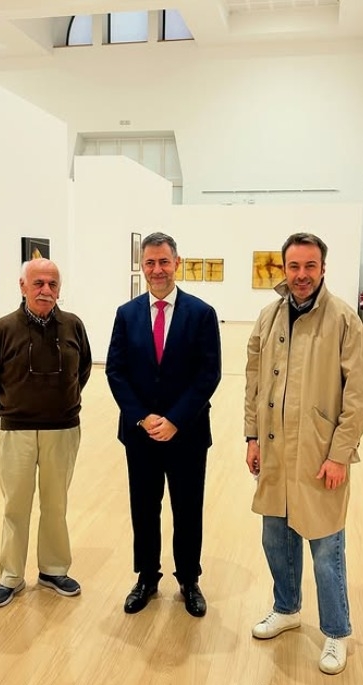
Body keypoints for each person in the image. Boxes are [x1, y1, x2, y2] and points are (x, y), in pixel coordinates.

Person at [244, 232, 363, 674]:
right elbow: (253, 381)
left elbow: (359, 396)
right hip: (275, 451)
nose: (301, 275)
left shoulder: (343, 320)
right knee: (275, 539)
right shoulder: (268, 317)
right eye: (294, 266)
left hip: (320, 457)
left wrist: (340, 454)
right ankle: (287, 608)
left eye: (310, 266)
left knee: (325, 548)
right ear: (284, 268)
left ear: (323, 268)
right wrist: (251, 436)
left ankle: (336, 631)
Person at [106, 232, 222, 617]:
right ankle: (146, 577)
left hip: (187, 434)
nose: (157, 269)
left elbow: (208, 374)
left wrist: (175, 419)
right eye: (150, 263)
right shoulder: (126, 314)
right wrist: (141, 417)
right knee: (144, 508)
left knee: (187, 510)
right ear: (143, 266)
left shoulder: (201, 314)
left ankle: (189, 579)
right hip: (140, 435)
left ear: (177, 263)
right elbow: (116, 371)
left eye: (164, 262)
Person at [0, 258, 92, 608]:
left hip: (63, 429)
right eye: (38, 283)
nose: (45, 290)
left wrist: (63, 403)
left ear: (59, 288)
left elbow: (83, 370)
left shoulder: (73, 326)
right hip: (17, 432)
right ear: (22, 286)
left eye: (52, 284)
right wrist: (11, 407)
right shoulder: (2, 329)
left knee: (56, 504)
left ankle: (53, 570)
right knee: (16, 506)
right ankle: (11, 576)